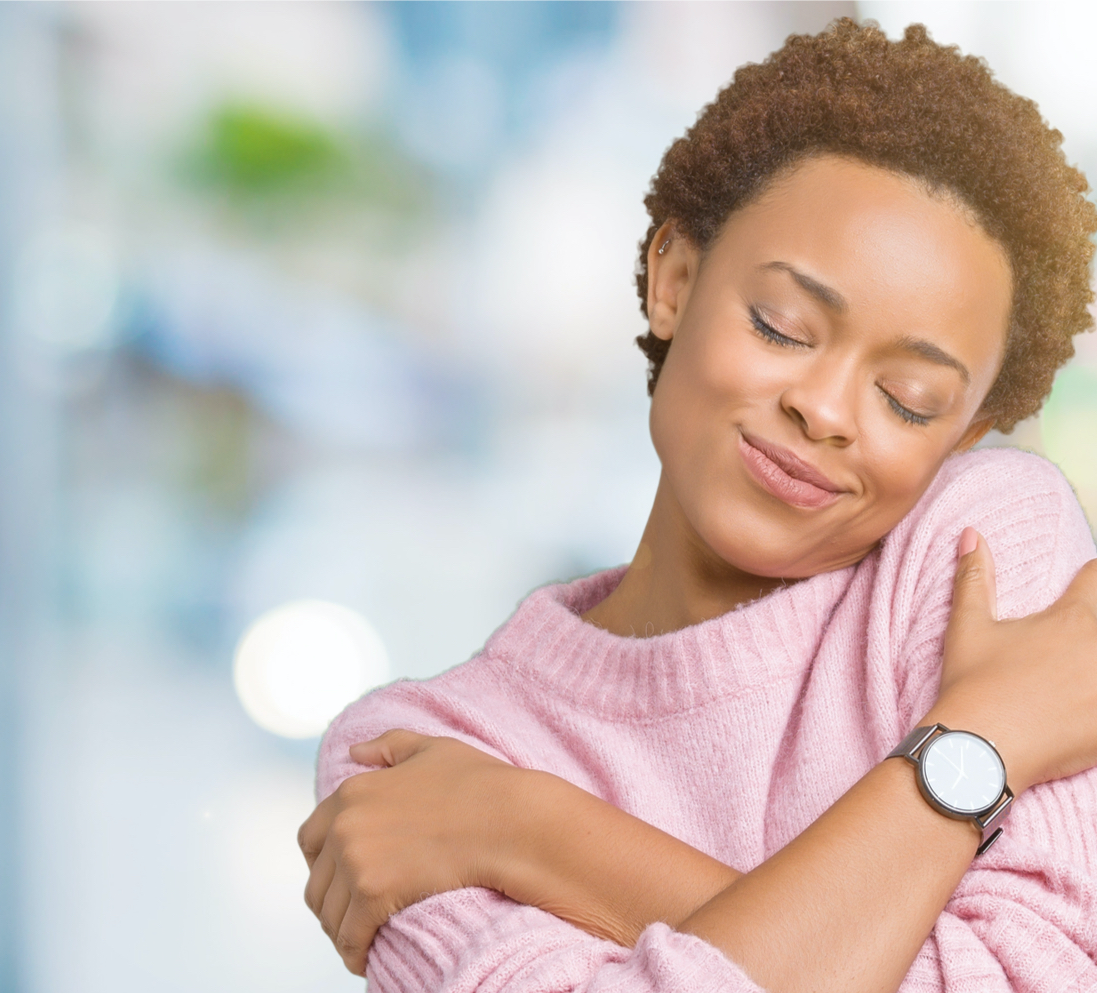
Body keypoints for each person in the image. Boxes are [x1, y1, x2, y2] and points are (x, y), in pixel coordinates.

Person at [299, 20, 1097, 992]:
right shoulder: (412, 761)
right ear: (672, 280)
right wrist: (985, 738)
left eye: (907, 400)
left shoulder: (976, 544)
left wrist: (533, 830)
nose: (823, 408)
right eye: (781, 324)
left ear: (960, 436)